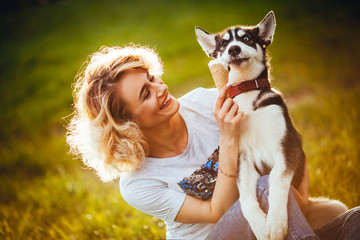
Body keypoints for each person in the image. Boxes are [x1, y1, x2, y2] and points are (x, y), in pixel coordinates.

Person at [66, 45, 360, 240]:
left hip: (267, 223)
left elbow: (284, 144)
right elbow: (215, 211)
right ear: (125, 124)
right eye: (145, 93)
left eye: (152, 78)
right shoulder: (138, 184)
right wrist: (229, 138)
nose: (161, 88)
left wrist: (303, 205)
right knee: (264, 186)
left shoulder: (207, 102)